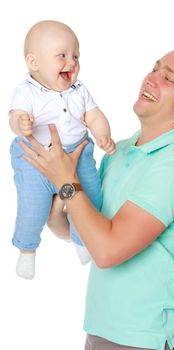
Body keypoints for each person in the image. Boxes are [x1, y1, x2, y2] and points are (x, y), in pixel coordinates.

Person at [20, 43, 174, 349]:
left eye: (168, 78)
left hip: (147, 338)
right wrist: (52, 214)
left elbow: (107, 251)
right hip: (103, 330)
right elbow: (90, 231)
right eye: (155, 68)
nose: (151, 78)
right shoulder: (121, 151)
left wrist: (66, 181)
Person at [9, 20, 115, 279]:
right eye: (62, 56)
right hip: (35, 159)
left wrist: (102, 134)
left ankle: (81, 240)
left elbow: (94, 115)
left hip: (78, 154)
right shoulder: (27, 91)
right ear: (34, 63)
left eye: (75, 56)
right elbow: (15, 115)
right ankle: (27, 250)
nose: (72, 62)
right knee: (32, 207)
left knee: (92, 198)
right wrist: (21, 123)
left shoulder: (80, 90)